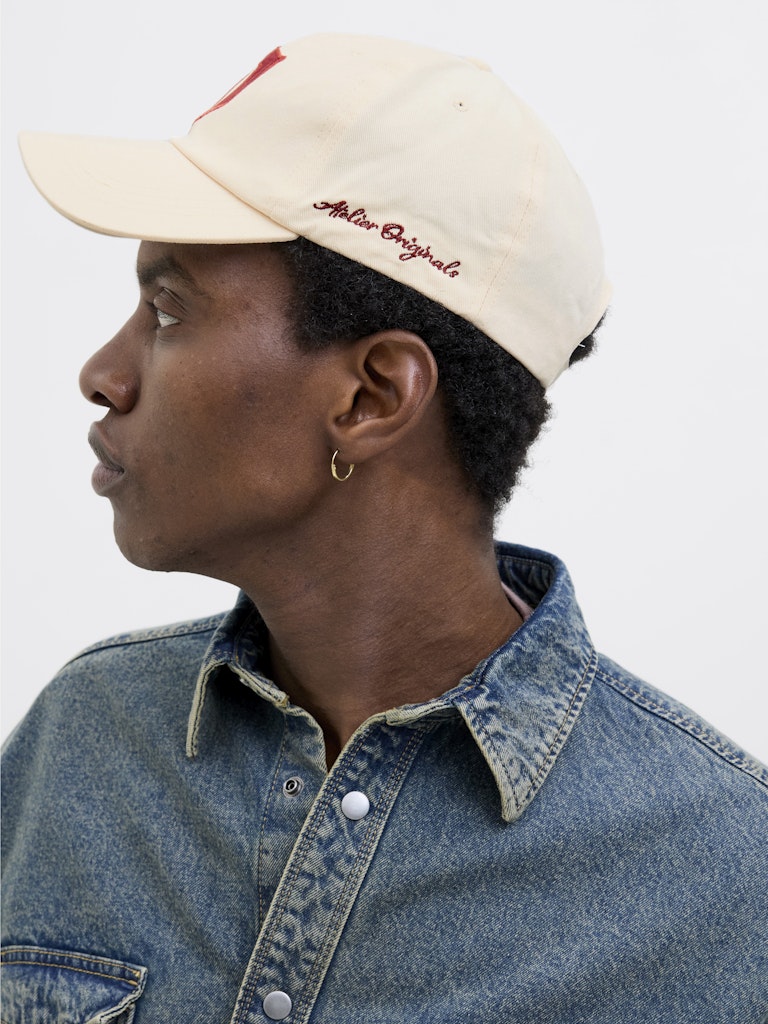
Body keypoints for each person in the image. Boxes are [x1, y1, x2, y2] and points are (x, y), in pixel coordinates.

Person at [2, 32, 766, 1024]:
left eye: (170, 309)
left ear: (371, 396)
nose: (103, 374)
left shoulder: (729, 881)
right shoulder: (85, 741)